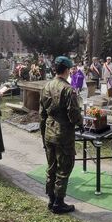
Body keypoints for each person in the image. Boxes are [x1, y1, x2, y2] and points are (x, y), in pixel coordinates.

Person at [39, 56, 82, 214]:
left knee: (51, 167)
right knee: (64, 168)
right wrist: (81, 123)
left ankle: (51, 199)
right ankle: (59, 202)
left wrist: (43, 133)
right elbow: (74, 115)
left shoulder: (46, 86)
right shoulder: (68, 89)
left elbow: (42, 114)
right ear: (67, 70)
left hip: (49, 133)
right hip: (63, 135)